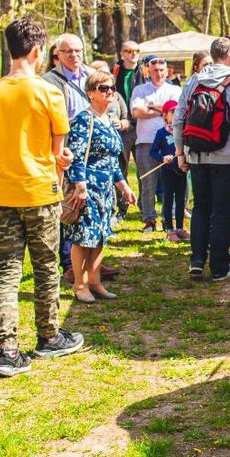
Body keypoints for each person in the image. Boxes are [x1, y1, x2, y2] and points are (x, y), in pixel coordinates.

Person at [0, 17, 82, 377]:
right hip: (40, 191)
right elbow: (60, 155)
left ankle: (7, 349)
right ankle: (49, 336)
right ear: (39, 51)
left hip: (3, 192)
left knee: (7, 271)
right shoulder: (47, 92)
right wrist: (62, 167)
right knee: (45, 269)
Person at [63, 70, 136, 303]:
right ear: (90, 93)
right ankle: (80, 284)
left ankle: (95, 281)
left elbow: (113, 159)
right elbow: (74, 154)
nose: (110, 92)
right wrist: (80, 186)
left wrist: (124, 187)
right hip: (87, 188)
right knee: (83, 237)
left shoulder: (108, 120)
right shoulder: (85, 119)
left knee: (100, 235)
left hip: (105, 190)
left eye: (112, 87)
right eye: (103, 88)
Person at [174, 37, 230, 280]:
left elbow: (179, 118)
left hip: (196, 155)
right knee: (223, 212)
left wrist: (180, 153)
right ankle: (219, 267)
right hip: (226, 156)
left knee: (201, 208)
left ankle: (197, 259)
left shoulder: (194, 80)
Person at [131, 57, 181, 232]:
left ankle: (172, 218)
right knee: (147, 182)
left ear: (167, 71)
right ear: (148, 72)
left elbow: (175, 112)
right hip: (145, 141)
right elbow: (137, 111)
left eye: (162, 70)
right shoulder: (140, 89)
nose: (159, 73)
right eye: (155, 70)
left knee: (172, 182)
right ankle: (149, 219)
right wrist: (162, 109)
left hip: (170, 141)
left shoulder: (175, 89)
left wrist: (150, 107)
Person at [114, 41, 145, 217]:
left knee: (143, 167)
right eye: (129, 51)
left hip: (141, 123)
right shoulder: (115, 72)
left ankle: (144, 205)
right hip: (123, 125)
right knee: (122, 166)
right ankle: (122, 207)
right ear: (122, 53)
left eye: (136, 51)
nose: (133, 54)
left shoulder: (144, 71)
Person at [150, 99, 188, 242]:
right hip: (167, 170)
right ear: (165, 115)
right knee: (168, 198)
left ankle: (179, 227)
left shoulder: (183, 131)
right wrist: (162, 157)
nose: (176, 114)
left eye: (178, 111)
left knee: (180, 199)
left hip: (181, 169)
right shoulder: (161, 133)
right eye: (173, 112)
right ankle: (169, 229)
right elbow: (153, 151)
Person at [43, 33, 91, 120]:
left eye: (77, 51)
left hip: (95, 131)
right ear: (58, 54)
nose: (74, 55)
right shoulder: (48, 81)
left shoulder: (93, 75)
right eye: (69, 51)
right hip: (67, 132)